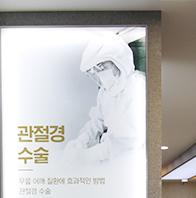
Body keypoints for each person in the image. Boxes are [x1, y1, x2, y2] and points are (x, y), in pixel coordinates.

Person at [62, 34, 146, 166]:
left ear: (119, 61)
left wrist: (89, 155)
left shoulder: (137, 86)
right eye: (95, 70)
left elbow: (129, 136)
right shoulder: (106, 91)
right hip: (113, 159)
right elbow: (97, 120)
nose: (100, 73)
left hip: (133, 161)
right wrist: (82, 140)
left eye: (101, 67)